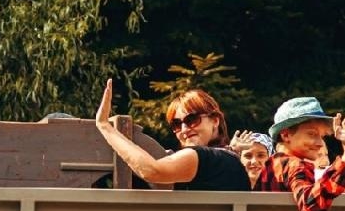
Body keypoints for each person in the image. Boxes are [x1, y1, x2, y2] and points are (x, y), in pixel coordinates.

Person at [93, 79, 249, 191]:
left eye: (192, 119)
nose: (184, 129)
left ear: (215, 121)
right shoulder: (230, 160)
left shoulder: (203, 157)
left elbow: (151, 171)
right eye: (176, 124)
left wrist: (105, 127)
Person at [254, 97, 345, 211]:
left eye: (322, 136)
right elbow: (310, 205)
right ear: (286, 135)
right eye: (312, 134)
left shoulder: (272, 163)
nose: (319, 143)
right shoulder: (295, 165)